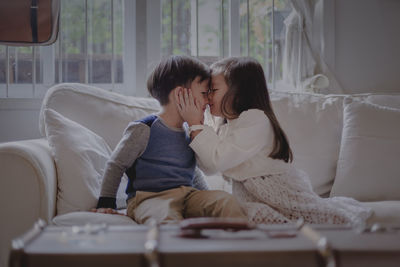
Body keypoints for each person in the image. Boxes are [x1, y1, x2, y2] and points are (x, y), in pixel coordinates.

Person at [175, 56, 372, 226]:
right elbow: (209, 167)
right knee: (249, 217)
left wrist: (196, 125)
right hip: (252, 195)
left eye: (214, 90)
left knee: (322, 218)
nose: (208, 97)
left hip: (278, 190)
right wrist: (196, 126)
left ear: (238, 93)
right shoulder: (227, 126)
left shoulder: (255, 119)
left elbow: (218, 160)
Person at [92, 55, 246, 224]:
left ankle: (237, 247)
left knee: (225, 201)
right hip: (151, 199)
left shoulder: (190, 132)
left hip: (188, 196)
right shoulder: (144, 129)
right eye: (203, 93)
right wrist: (106, 203)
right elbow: (116, 165)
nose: (208, 100)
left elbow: (192, 172)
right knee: (164, 218)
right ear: (180, 94)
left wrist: (206, 197)